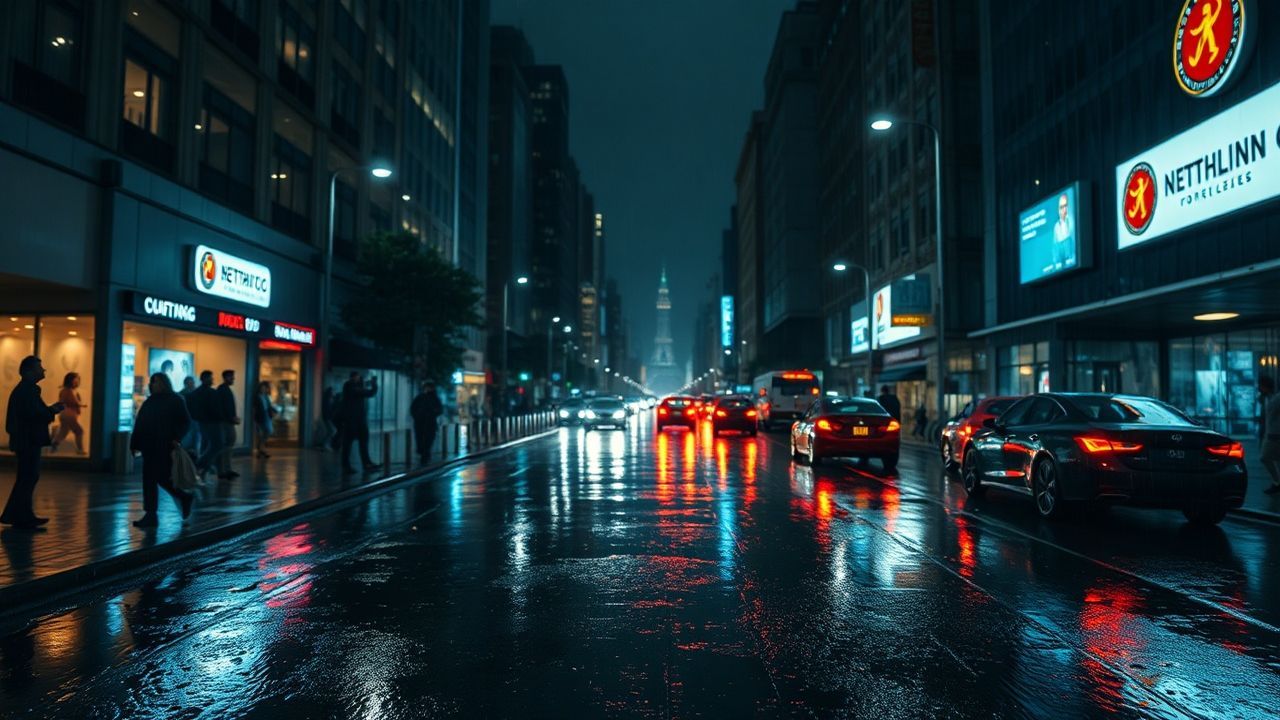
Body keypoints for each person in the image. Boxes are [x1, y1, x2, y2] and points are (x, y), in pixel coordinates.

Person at [2, 356, 63, 529]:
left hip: (26, 440)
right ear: (29, 371)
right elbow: (34, 414)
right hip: (28, 440)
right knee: (28, 477)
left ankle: (19, 515)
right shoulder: (28, 391)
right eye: (39, 367)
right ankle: (21, 517)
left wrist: (49, 410)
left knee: (27, 477)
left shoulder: (25, 390)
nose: (43, 370)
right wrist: (52, 410)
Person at [129, 373, 194, 528]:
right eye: (151, 382)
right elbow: (140, 423)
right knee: (150, 479)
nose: (152, 384)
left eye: (155, 381)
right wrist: (135, 443)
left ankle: (182, 497)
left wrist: (177, 437)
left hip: (165, 445)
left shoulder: (175, 400)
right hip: (149, 446)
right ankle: (151, 513)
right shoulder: (150, 401)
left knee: (161, 477)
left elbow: (185, 421)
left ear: (164, 383)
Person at [340, 372, 379, 474]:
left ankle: (366, 463)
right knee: (348, 443)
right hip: (351, 420)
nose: (359, 378)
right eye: (357, 377)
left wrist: (371, 384)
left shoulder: (354, 386)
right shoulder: (349, 386)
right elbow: (368, 392)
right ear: (353, 377)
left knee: (363, 441)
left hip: (359, 419)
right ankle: (346, 466)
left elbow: (366, 391)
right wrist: (373, 384)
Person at [214, 370, 241, 479]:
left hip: (228, 421)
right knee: (226, 446)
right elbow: (223, 407)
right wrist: (231, 418)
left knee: (227, 446)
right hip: (226, 422)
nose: (233, 379)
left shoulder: (223, 389)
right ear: (226, 377)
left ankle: (226, 469)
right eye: (231, 377)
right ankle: (223, 470)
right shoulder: (223, 390)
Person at [51, 372, 85, 454]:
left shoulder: (69, 391)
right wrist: (80, 405)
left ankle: (54, 444)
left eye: (78, 380)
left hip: (67, 414)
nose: (77, 382)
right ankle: (80, 450)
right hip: (68, 415)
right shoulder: (67, 391)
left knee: (63, 432)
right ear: (70, 381)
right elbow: (65, 402)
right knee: (79, 431)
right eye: (75, 380)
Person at [410, 381, 444, 464]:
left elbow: (439, 410)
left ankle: (425, 454)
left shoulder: (434, 398)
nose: (427, 389)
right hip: (420, 423)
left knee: (428, 439)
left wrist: (432, 413)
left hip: (430, 423)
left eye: (429, 387)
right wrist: (417, 416)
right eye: (426, 387)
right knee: (420, 439)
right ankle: (423, 453)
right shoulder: (420, 397)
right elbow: (413, 408)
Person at [1259, 376, 1280, 495]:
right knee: (1273, 459)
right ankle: (1277, 482)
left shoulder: (1276, 398)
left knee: (1265, 457)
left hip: (1274, 434)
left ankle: (1277, 482)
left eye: (1261, 386)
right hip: (1270, 433)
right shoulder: (1266, 399)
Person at [252, 381, 276, 459]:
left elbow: (269, 405)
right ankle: (261, 450)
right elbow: (254, 408)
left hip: (267, 415)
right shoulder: (257, 396)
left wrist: (273, 411)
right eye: (262, 387)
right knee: (261, 434)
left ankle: (261, 449)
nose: (264, 389)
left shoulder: (266, 396)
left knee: (269, 431)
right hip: (260, 416)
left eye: (265, 388)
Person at [1052, 193, 1075, 269]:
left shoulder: (1072, 220)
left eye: (1066, 206)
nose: (1064, 210)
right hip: (1061, 259)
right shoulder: (1056, 226)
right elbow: (1055, 246)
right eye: (1061, 207)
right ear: (1058, 210)